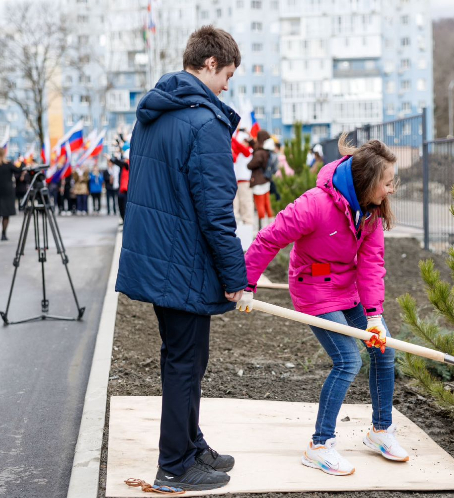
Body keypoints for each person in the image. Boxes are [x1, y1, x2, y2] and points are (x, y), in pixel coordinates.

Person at [115, 25, 245, 492]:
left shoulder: (154, 113)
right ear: (210, 64)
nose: (228, 85)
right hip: (184, 263)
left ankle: (190, 444)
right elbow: (215, 210)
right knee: (185, 363)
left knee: (185, 358)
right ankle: (174, 465)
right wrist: (236, 275)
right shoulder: (204, 123)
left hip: (159, 258)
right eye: (227, 74)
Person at [237, 134, 402, 476]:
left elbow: (372, 264)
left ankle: (380, 431)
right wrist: (247, 283)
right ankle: (319, 445)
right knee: (347, 360)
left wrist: (373, 316)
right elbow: (269, 239)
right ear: (368, 181)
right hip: (313, 289)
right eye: (387, 182)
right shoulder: (314, 204)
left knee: (383, 350)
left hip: (350, 288)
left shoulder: (371, 213)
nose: (390, 189)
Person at [246, 130, 276, 227]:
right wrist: (250, 140)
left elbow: (251, 165)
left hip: (258, 181)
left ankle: (262, 227)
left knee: (260, 205)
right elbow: (255, 146)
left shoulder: (259, 153)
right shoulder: (266, 151)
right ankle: (271, 225)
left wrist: (248, 164)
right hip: (266, 180)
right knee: (267, 204)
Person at [231, 128, 255, 228]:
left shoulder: (249, 151)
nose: (243, 142)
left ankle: (248, 223)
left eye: (245, 141)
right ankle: (237, 222)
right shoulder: (239, 152)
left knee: (246, 202)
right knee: (236, 203)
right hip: (236, 181)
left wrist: (232, 137)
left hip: (245, 181)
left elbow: (241, 147)